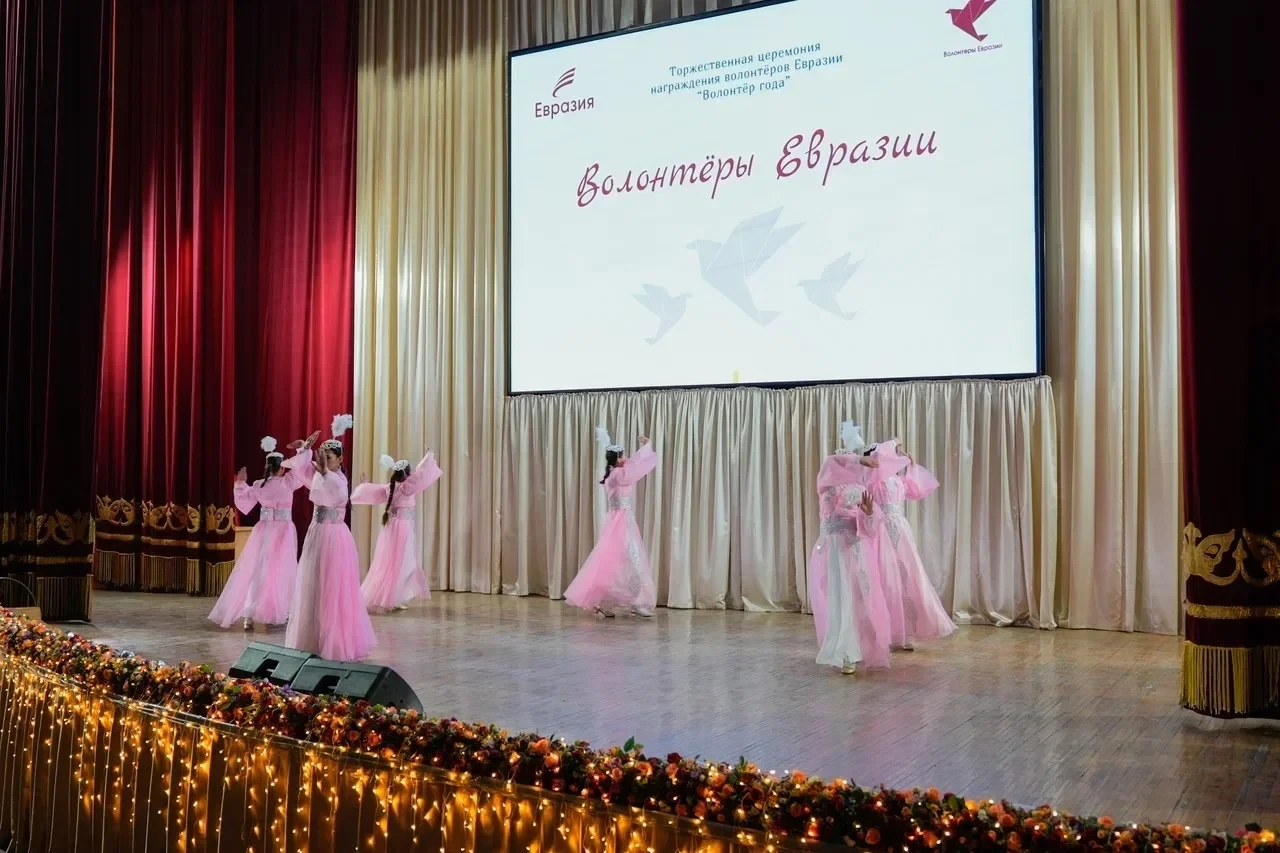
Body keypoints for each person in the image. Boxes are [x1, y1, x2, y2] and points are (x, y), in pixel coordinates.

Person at [809, 422, 902, 674]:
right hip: (834, 549)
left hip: (856, 549)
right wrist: (860, 460)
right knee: (840, 596)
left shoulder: (860, 489)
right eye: (851, 460)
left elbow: (871, 529)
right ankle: (845, 651)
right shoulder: (827, 486)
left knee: (859, 595)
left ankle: (857, 646)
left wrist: (869, 513)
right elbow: (830, 462)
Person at [285, 413, 377, 661]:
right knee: (314, 584)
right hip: (317, 534)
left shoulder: (338, 479)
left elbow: (335, 492)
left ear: (340, 459)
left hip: (334, 539)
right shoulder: (321, 473)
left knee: (332, 586)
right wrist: (304, 450)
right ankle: (313, 639)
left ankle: (335, 640)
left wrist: (325, 473)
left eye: (330, 458)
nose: (324, 461)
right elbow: (303, 472)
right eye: (322, 456)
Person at [208, 430, 320, 630]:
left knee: (259, 569)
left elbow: (244, 501)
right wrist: (304, 449)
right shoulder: (288, 481)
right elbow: (301, 468)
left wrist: (240, 482)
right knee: (283, 569)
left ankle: (250, 615)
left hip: (264, 530)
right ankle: (283, 610)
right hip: (284, 531)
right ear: (282, 468)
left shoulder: (259, 484)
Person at [867, 438, 955, 649]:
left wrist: (911, 466)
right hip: (881, 530)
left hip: (900, 529)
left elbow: (916, 490)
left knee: (906, 576)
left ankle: (905, 632)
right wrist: (894, 445)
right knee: (885, 578)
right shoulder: (873, 479)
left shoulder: (897, 480)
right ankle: (885, 632)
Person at [564, 426, 658, 618]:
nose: (627, 458)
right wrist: (647, 446)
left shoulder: (613, 474)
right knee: (629, 559)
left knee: (622, 560)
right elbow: (635, 467)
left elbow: (633, 465)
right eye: (623, 456)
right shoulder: (617, 475)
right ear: (618, 459)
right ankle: (632, 601)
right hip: (620, 521)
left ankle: (623, 600)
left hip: (621, 519)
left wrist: (645, 448)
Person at [350, 450, 442, 612]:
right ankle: (392, 597)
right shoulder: (406, 487)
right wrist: (428, 458)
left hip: (391, 527)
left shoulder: (390, 487)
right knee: (401, 562)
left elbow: (373, 490)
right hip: (402, 528)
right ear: (406, 474)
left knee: (391, 562)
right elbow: (421, 476)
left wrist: (364, 484)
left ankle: (392, 596)